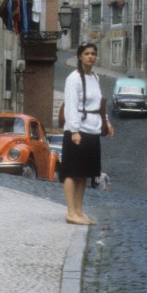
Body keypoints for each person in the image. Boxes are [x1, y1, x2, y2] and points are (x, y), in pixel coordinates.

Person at [61, 43, 112, 225]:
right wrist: (74, 130)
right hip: (78, 130)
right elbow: (71, 104)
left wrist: (106, 122)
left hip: (92, 130)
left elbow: (98, 104)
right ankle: (70, 212)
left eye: (93, 54)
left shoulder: (95, 78)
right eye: (87, 53)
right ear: (80, 56)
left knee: (84, 173)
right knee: (71, 171)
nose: (90, 56)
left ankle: (79, 211)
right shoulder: (73, 78)